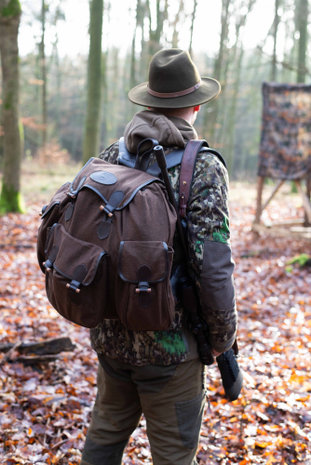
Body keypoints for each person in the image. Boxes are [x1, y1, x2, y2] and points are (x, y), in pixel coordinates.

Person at [80, 48, 237, 465]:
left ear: (148, 101)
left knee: (104, 436)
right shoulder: (202, 168)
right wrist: (221, 339)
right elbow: (214, 268)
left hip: (112, 339)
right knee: (173, 455)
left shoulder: (110, 157)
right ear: (196, 104)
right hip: (173, 350)